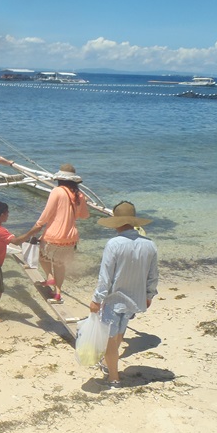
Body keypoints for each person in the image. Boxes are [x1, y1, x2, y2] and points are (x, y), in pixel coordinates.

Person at [89, 201, 159, 388]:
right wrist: (149, 295)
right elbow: (153, 275)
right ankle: (107, 363)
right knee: (119, 332)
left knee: (111, 340)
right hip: (134, 299)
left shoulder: (114, 244)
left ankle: (113, 377)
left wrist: (96, 299)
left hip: (114, 299)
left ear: (116, 222)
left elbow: (105, 277)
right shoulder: (149, 245)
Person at [25, 163, 90, 304]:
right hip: (70, 237)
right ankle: (57, 294)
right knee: (60, 265)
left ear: (60, 178)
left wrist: (37, 225)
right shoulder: (80, 195)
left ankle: (49, 278)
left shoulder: (57, 191)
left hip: (53, 234)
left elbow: (47, 213)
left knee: (42, 257)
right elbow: (84, 215)